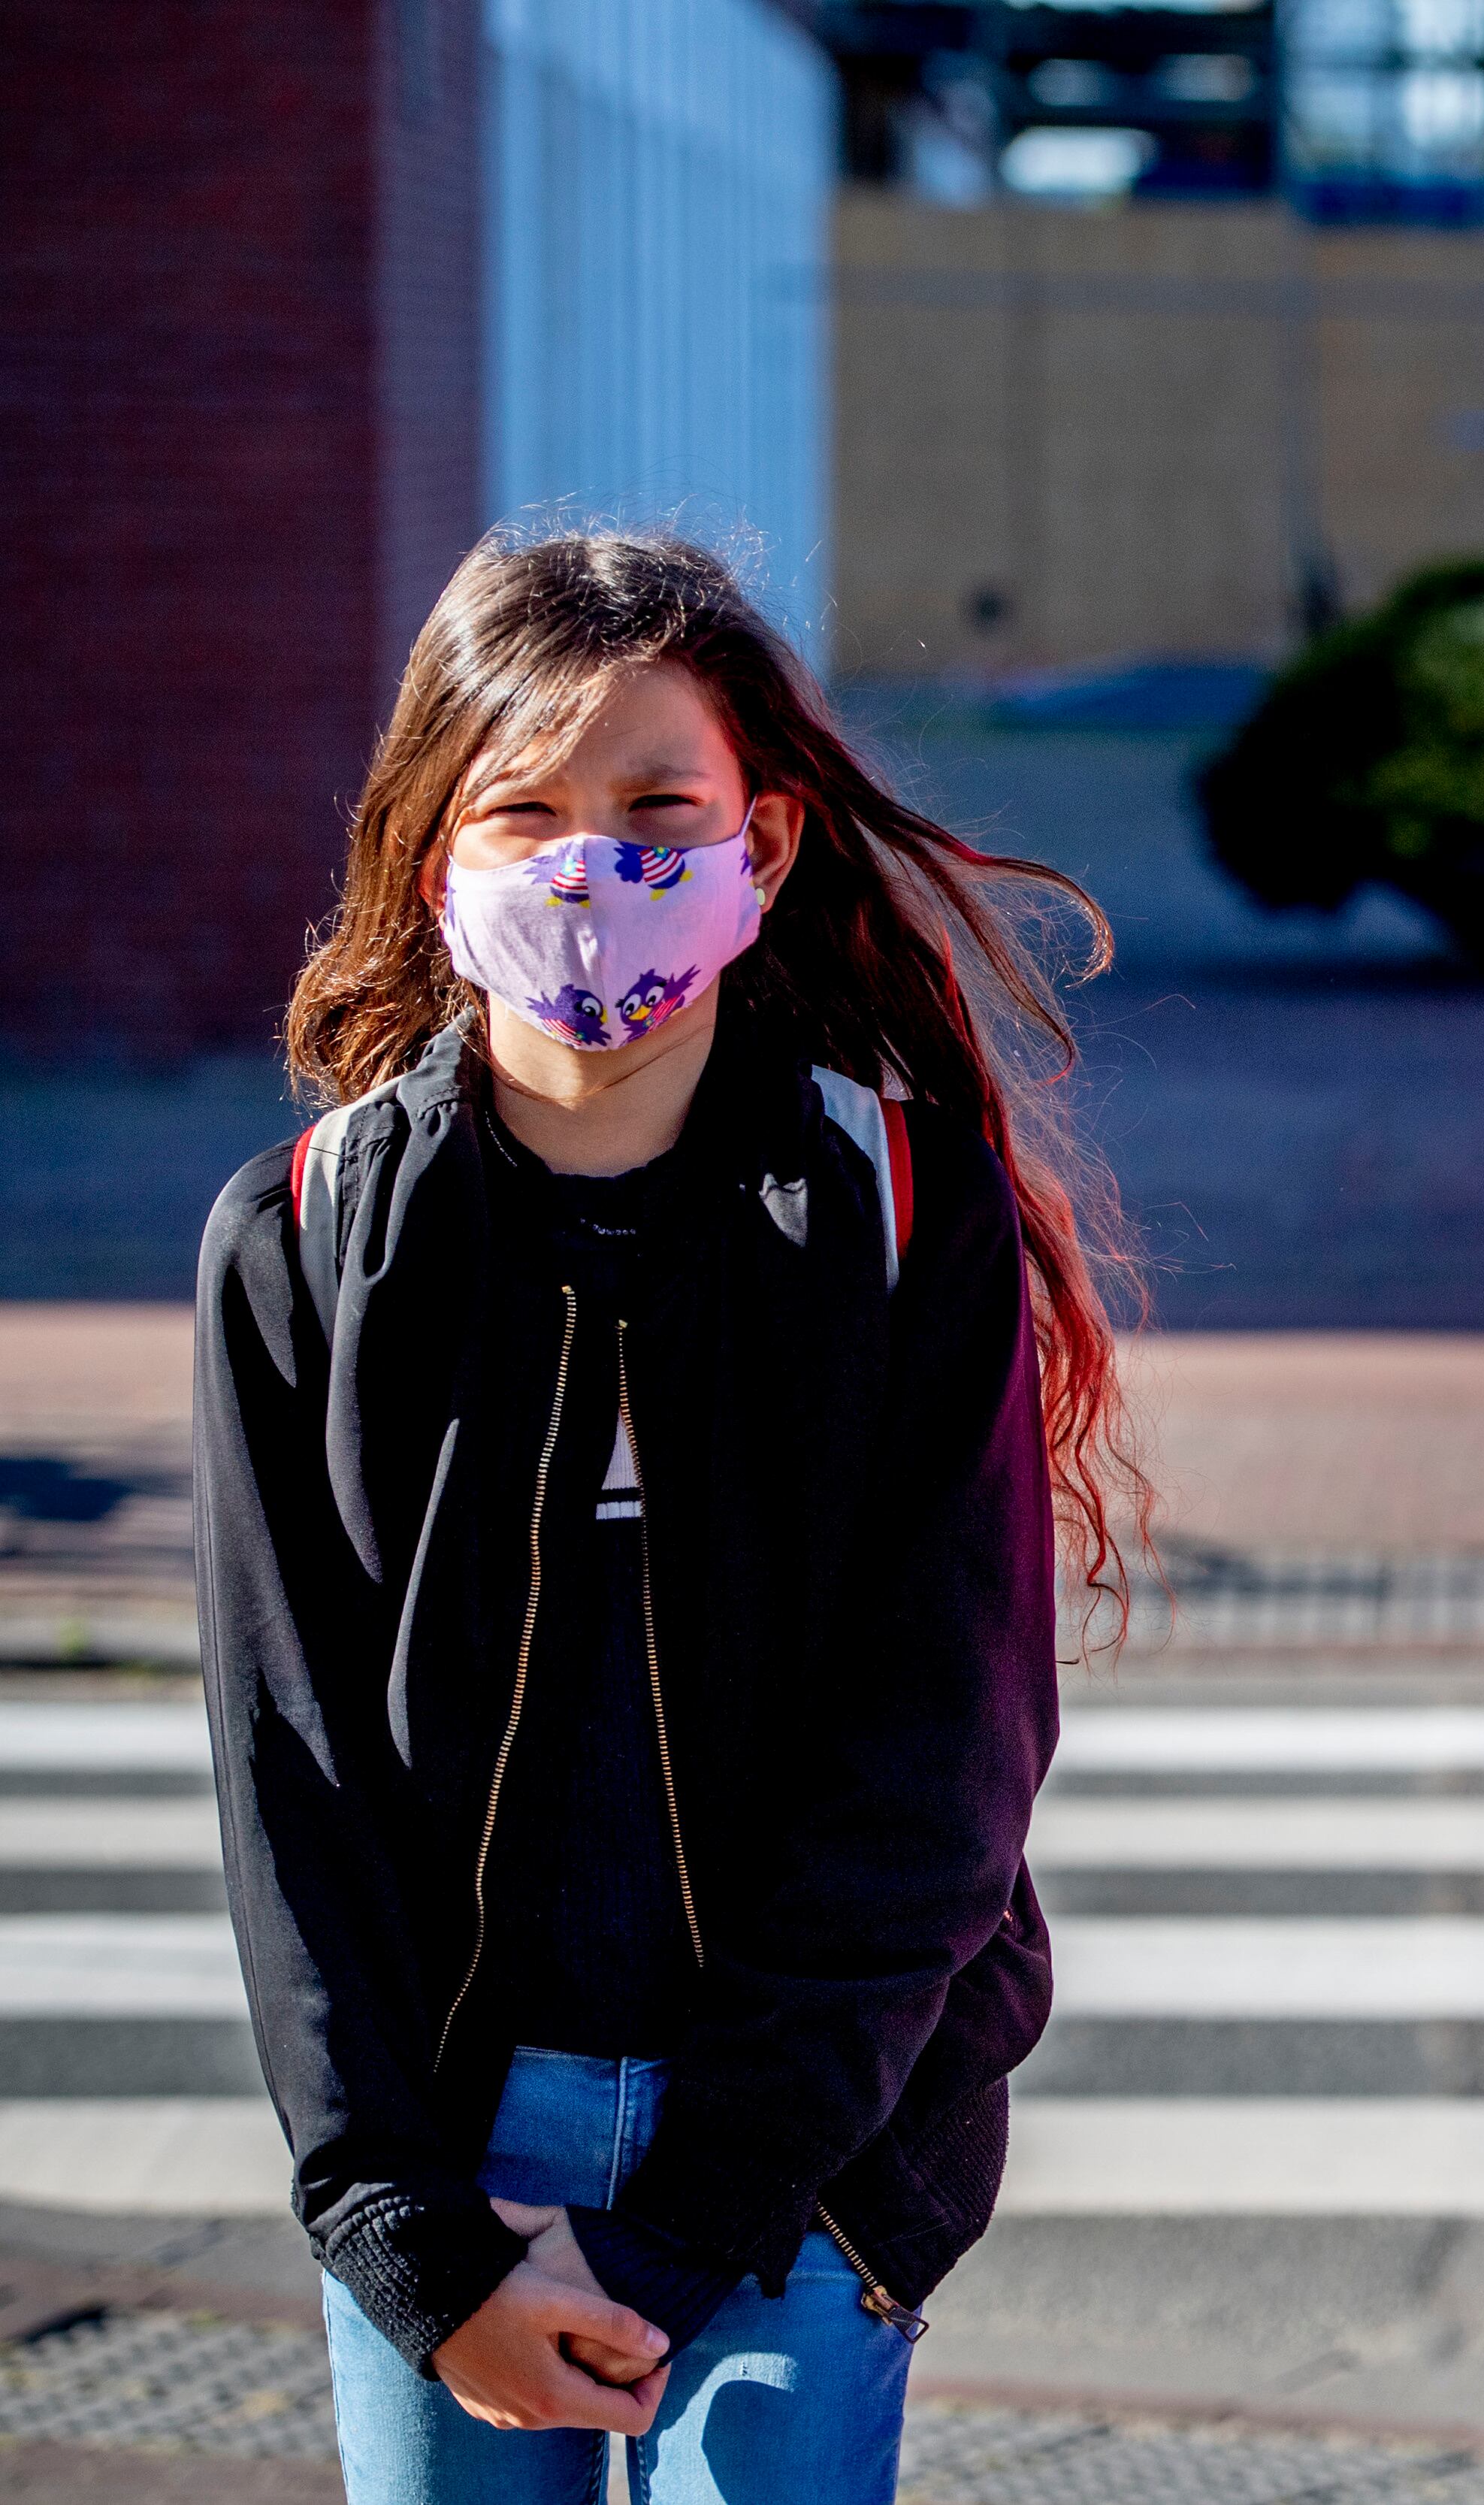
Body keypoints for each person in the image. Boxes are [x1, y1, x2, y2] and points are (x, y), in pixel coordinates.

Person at [195, 531, 1141, 2503]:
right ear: (432, 855)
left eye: (657, 812)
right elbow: (291, 1787)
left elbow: (943, 1771)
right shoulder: (301, 1241)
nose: (587, 868)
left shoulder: (898, 1215)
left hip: (809, 2165)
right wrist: (408, 2235)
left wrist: (696, 2208)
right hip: (455, 2167)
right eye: (521, 811)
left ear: (767, 846)